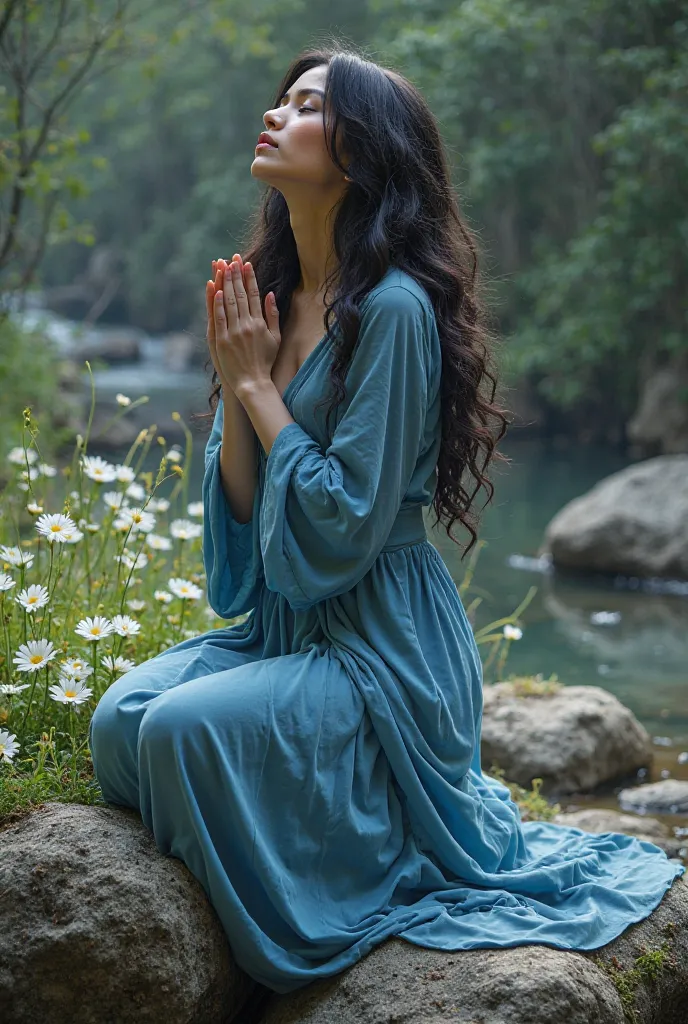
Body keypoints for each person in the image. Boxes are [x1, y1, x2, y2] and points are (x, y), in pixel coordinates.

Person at [88, 44, 685, 996]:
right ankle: (305, 821)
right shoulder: (277, 298)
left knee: (178, 735)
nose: (278, 112)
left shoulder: (396, 311)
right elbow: (242, 542)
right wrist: (243, 386)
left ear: (361, 155)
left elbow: (342, 526)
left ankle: (368, 857)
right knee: (120, 720)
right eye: (280, 98)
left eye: (309, 104)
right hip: (288, 628)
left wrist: (255, 386)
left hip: (382, 648)